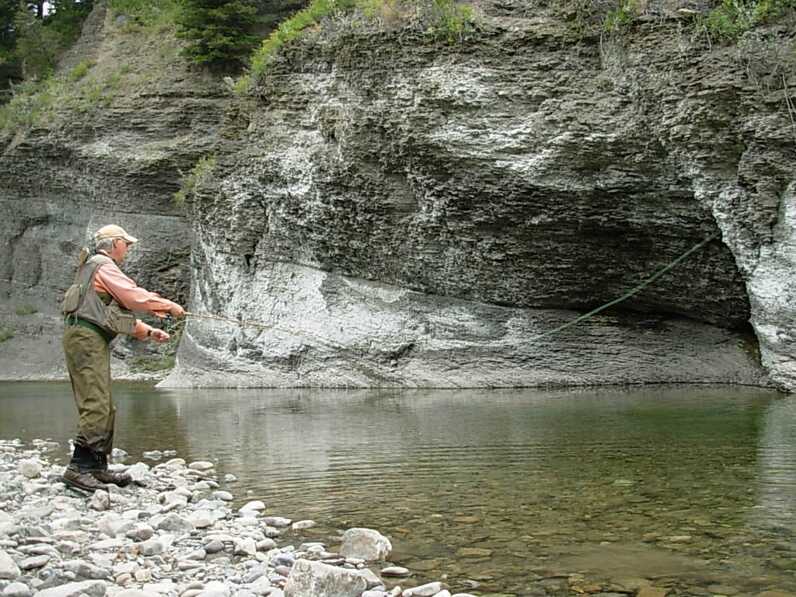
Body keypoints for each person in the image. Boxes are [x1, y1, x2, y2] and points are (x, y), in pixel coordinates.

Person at [62, 224, 185, 492]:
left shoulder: (94, 268)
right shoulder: (102, 265)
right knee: (96, 401)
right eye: (126, 244)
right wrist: (168, 306)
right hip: (85, 338)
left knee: (104, 403)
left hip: (87, 337)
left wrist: (149, 331)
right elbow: (132, 296)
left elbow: (110, 312)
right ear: (115, 243)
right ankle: (78, 469)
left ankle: (96, 467)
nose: (128, 249)